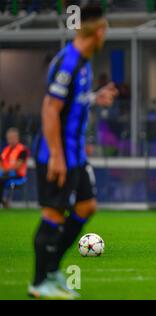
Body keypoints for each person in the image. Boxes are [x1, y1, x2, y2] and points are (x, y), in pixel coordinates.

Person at [29, 5, 118, 299]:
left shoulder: (85, 62)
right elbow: (50, 109)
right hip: (58, 154)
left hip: (75, 155)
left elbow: (69, 102)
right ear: (99, 31)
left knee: (86, 206)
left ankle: (52, 270)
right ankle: (40, 281)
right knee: (53, 214)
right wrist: (56, 156)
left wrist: (95, 97)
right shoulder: (68, 62)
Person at [0, 128, 29, 208]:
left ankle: (3, 202)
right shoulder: (6, 149)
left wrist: (5, 169)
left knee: (1, 179)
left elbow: (18, 165)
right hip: (4, 174)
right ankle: (3, 201)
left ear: (17, 138)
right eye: (9, 138)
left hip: (17, 175)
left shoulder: (22, 150)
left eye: (13, 137)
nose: (11, 140)